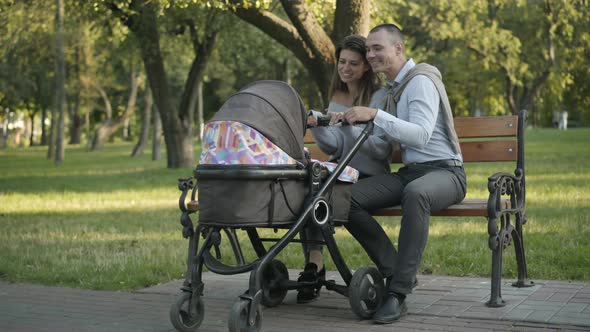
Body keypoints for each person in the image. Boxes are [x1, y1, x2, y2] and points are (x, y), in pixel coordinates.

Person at [334, 24, 467, 324]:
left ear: (399, 48)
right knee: (344, 199)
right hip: (411, 173)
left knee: (416, 193)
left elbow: (420, 136)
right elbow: (380, 144)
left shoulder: (420, 81)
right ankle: (394, 269)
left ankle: (397, 294)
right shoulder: (391, 91)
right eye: (368, 49)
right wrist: (344, 122)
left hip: (447, 172)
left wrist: (375, 115)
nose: (371, 55)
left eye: (377, 48)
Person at [297, 34, 391, 303]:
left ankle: (391, 269)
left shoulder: (379, 97)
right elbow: (334, 146)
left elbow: (381, 149)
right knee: (311, 191)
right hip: (342, 171)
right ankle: (314, 264)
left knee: (324, 197)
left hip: (371, 174)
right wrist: (320, 125)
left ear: (366, 67)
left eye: (354, 63)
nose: (346, 68)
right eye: (342, 62)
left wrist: (354, 126)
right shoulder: (338, 95)